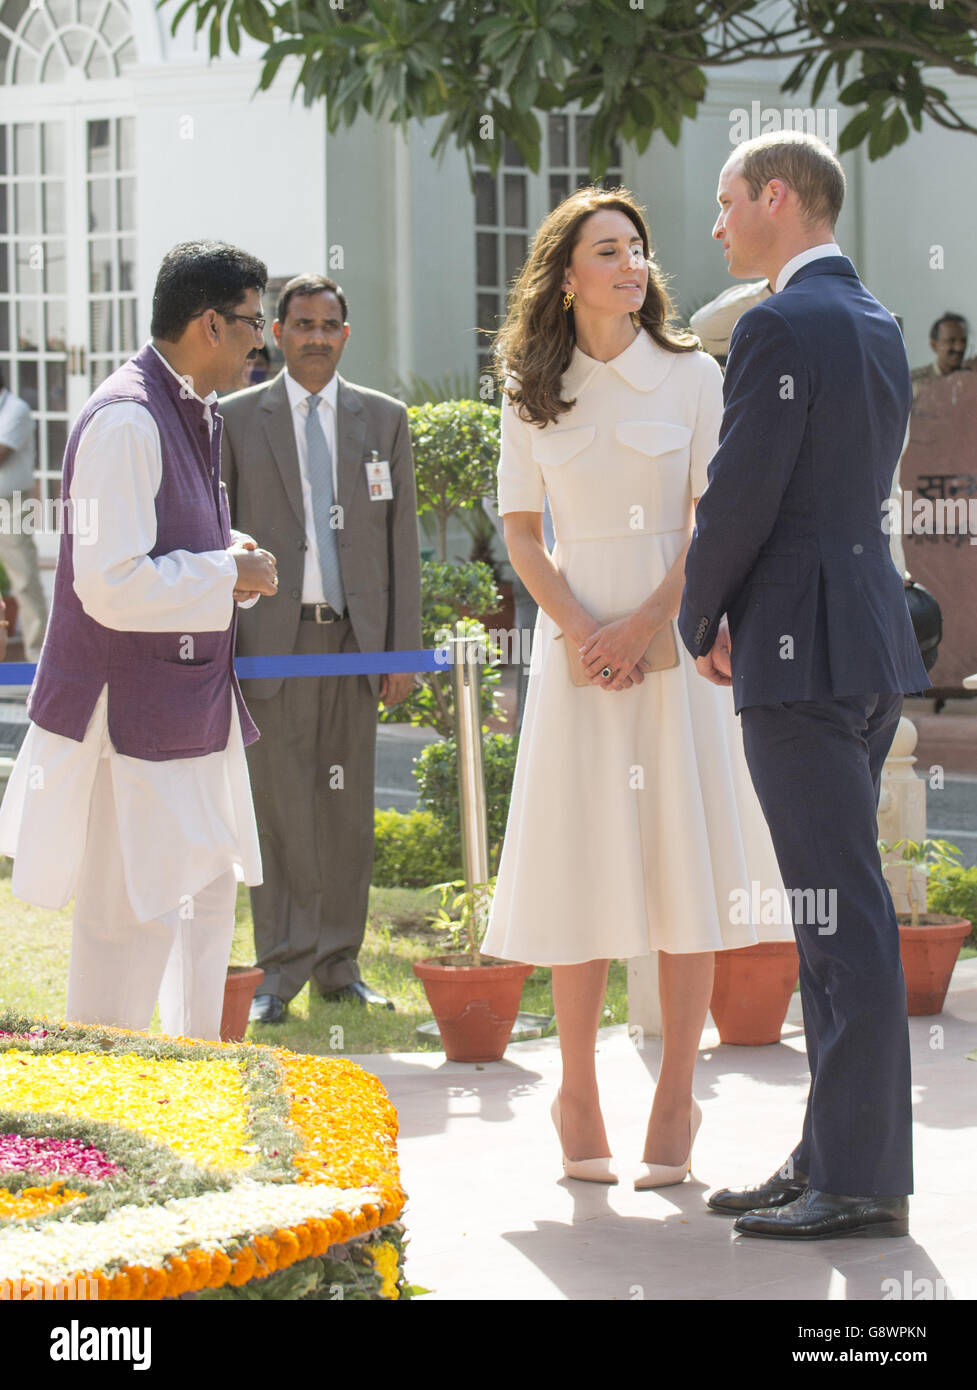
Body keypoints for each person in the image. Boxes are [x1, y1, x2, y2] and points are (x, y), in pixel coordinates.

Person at [482, 187, 784, 1188]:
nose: (629, 264)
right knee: (580, 862)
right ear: (564, 275)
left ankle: (674, 1097)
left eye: (637, 248)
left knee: (679, 869)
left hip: (672, 641)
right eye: (605, 250)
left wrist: (649, 625)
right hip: (574, 657)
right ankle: (575, 1090)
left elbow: (710, 519)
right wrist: (580, 633)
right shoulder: (529, 385)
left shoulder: (692, 375)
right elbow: (522, 530)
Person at [679, 131, 930, 1239]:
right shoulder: (874, 319)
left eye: (727, 202)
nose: (717, 224)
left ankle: (861, 1178)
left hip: (797, 651)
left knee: (840, 922)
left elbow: (741, 493)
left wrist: (697, 614)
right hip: (860, 645)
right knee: (836, 909)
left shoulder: (778, 321)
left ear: (776, 197)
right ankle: (828, 1153)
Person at [0, 241, 279, 1042]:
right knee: (130, 926)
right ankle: (111, 1111)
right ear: (209, 324)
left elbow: (166, 550)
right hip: (128, 724)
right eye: (254, 322)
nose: (261, 341)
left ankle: (189, 1100)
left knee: (197, 909)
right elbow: (111, 584)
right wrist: (227, 568)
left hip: (185, 714)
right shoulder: (127, 418)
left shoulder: (193, 408)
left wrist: (227, 559)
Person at [220, 274, 421, 1024]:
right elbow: (219, 536)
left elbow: (399, 542)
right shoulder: (236, 419)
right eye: (299, 323)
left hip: (354, 647)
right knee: (276, 809)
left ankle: (339, 962)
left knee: (345, 810)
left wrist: (399, 651)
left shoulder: (384, 420)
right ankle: (280, 968)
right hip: (270, 646)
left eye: (327, 324)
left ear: (345, 333)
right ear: (276, 332)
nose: (313, 337)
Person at [0, 368, 48, 659]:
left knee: (24, 580)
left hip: (11, 504)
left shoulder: (16, 409)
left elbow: (2, 451)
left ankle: (37, 661)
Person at [910, 312, 976, 395]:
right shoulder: (915, 382)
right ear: (934, 345)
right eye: (951, 341)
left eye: (963, 341)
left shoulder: (971, 379)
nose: (959, 347)